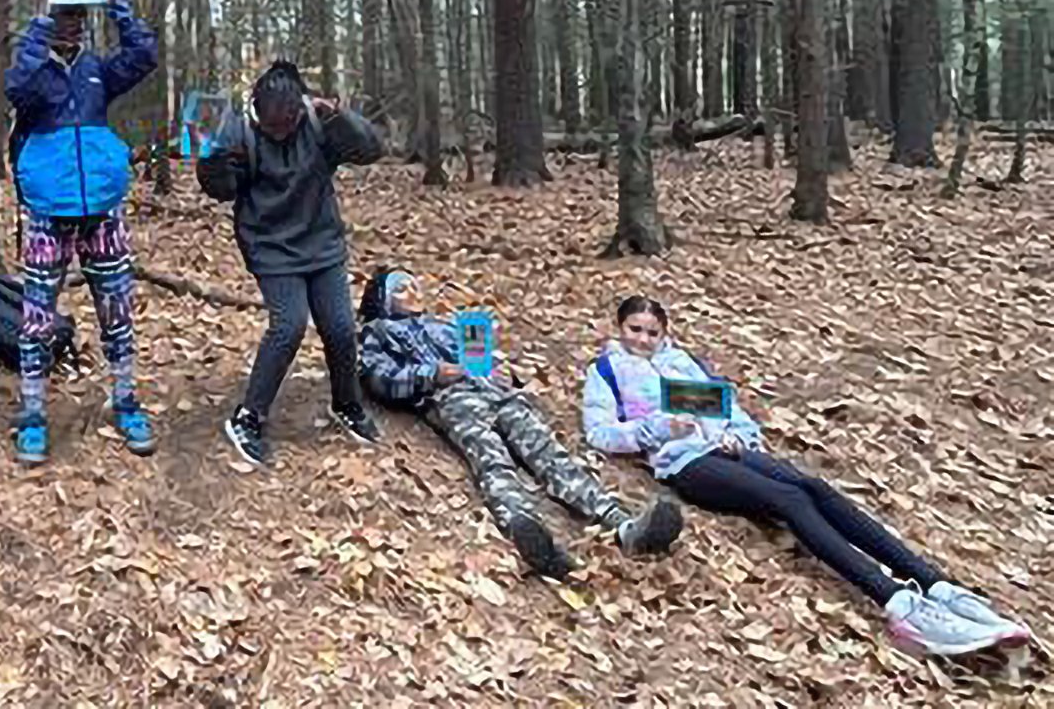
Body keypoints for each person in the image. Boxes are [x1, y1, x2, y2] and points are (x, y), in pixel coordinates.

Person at [585, 296, 1031, 657]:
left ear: (665, 333)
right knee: (789, 501)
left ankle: (936, 584)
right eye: (634, 330)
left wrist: (740, 438)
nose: (642, 339)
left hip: (727, 450)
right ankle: (898, 603)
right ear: (620, 328)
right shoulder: (606, 370)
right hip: (684, 463)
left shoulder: (684, 364)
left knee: (814, 487)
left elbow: (729, 411)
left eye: (652, 332)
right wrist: (659, 427)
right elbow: (600, 433)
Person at [358, 268, 682, 578]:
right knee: (491, 457)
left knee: (549, 452)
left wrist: (504, 374)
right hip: (452, 399)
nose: (413, 292)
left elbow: (483, 360)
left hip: (497, 393)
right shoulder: (378, 331)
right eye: (401, 288)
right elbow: (377, 376)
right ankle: (525, 529)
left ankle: (624, 526)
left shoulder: (444, 326)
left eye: (415, 284)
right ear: (383, 300)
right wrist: (431, 375)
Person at [5, 0, 158, 464]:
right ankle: (31, 415)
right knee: (36, 319)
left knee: (116, 312)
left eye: (76, 17)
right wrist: (41, 20)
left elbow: (143, 55)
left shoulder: (97, 72)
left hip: (103, 214)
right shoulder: (33, 68)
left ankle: (126, 400)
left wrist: (116, 3)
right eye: (62, 16)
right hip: (49, 214)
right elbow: (17, 86)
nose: (71, 24)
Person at [199, 61, 384, 464]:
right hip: (269, 246)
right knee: (289, 324)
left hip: (321, 241)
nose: (279, 132)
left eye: (287, 124)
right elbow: (221, 190)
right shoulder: (240, 131)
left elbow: (371, 150)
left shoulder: (318, 126)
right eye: (272, 125)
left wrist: (337, 115)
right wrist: (212, 156)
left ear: (301, 110)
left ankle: (346, 403)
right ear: (257, 112)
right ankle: (248, 418)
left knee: (339, 326)